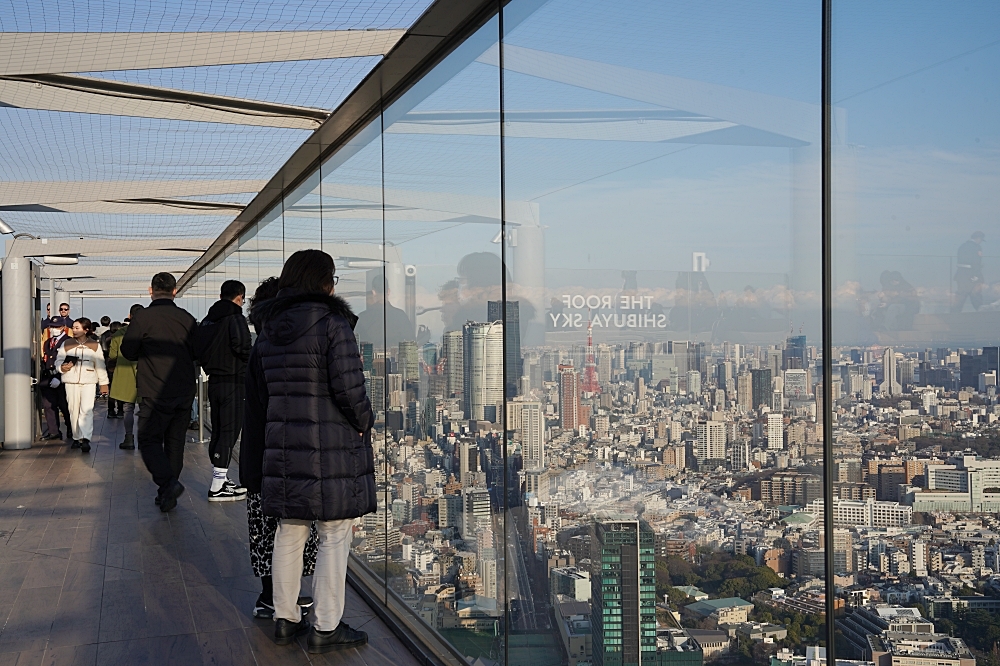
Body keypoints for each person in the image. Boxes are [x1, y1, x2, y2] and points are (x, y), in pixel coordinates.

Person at [242, 250, 374, 652]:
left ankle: (285, 619)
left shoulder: (267, 330)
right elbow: (350, 390)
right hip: (330, 445)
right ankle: (327, 626)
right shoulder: (333, 325)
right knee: (334, 534)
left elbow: (261, 394)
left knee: (290, 529)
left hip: (282, 444)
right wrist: (365, 422)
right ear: (325, 283)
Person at [241, 276, 319, 620]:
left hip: (260, 449)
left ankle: (269, 594)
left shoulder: (261, 346)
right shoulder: (290, 347)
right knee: (296, 523)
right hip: (293, 451)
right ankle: (290, 595)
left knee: (264, 521)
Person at [121, 273, 198, 513]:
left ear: (150, 290)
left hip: (154, 390)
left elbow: (128, 351)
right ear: (175, 291)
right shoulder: (186, 318)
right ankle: (167, 494)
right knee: (175, 443)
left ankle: (168, 484)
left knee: (149, 439)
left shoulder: (143, 318)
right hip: (184, 390)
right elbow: (198, 350)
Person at [194, 279, 251, 502]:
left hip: (213, 382)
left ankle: (222, 479)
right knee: (230, 430)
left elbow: (197, 348)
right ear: (239, 297)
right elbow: (242, 346)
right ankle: (217, 485)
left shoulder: (208, 321)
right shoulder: (235, 318)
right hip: (234, 382)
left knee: (218, 430)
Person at [56, 317, 110, 453]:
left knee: (87, 409)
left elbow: (100, 364)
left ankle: (85, 438)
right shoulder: (66, 343)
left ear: (86, 330)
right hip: (70, 381)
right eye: (73, 327)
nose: (74, 330)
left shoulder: (95, 345)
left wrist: (104, 384)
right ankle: (76, 437)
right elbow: (59, 360)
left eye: (77, 328)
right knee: (73, 409)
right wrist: (62, 368)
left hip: (89, 381)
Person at [110, 305, 142, 449]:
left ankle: (129, 438)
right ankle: (144, 439)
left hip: (124, 374)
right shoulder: (148, 332)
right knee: (145, 409)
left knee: (128, 408)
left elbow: (112, 356)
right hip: (145, 374)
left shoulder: (118, 334)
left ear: (130, 316)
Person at [353, 274, 412, 349]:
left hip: (370, 359)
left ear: (373, 292)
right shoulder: (401, 316)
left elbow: (355, 344)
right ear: (388, 291)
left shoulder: (362, 317)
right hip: (397, 359)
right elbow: (410, 342)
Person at [39, 321, 73, 441]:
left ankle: (71, 428)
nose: (53, 329)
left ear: (63, 327)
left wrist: (59, 377)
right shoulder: (48, 342)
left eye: (56, 326)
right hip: (48, 377)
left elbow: (69, 360)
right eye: (52, 327)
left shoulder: (68, 341)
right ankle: (53, 431)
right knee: (48, 405)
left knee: (64, 406)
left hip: (61, 378)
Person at [952, 231, 986, 312]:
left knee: (961, 295)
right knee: (976, 294)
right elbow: (976, 262)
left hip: (961, 274)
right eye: (981, 239)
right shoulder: (977, 247)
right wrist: (976, 276)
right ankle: (981, 314)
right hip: (971, 274)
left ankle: (954, 314)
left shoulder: (962, 246)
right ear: (978, 238)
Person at [102, 321, 122, 418]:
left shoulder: (105, 336)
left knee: (111, 389)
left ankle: (110, 410)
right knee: (120, 388)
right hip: (120, 364)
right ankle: (120, 410)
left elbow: (104, 350)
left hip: (109, 364)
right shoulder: (121, 338)